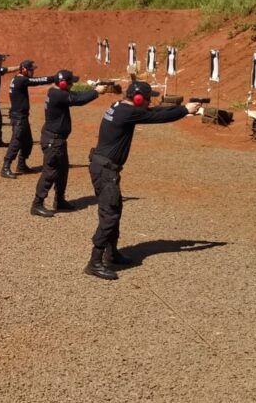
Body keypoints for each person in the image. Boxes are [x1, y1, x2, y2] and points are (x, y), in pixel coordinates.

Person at [84, 82, 201, 279]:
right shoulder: (128, 113)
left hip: (104, 168)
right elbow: (157, 116)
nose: (148, 102)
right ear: (138, 98)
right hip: (105, 171)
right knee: (109, 214)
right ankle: (94, 262)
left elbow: (153, 111)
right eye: (147, 98)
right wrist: (183, 110)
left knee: (115, 209)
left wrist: (182, 109)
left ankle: (112, 253)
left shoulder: (120, 106)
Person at [30, 70, 106, 217]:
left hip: (58, 140)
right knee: (50, 172)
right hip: (54, 141)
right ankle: (37, 203)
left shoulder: (56, 91)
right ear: (64, 83)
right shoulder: (59, 95)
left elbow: (75, 94)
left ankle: (60, 200)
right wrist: (96, 92)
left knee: (63, 170)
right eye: (70, 82)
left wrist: (92, 88)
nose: (72, 85)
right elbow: (78, 100)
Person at [0, 60, 54, 179]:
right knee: (16, 142)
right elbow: (38, 81)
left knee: (27, 142)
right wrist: (54, 78)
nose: (32, 71)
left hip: (21, 116)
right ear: (24, 69)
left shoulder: (17, 79)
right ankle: (5, 167)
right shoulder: (21, 80)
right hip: (18, 117)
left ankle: (21, 164)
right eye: (31, 69)